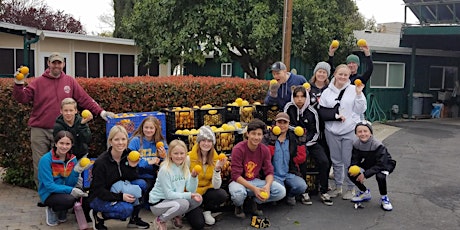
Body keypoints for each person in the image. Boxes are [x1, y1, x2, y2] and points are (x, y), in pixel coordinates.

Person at [13, 52, 115, 186]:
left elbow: (84, 99)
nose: (56, 65)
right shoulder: (37, 82)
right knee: (40, 164)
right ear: (48, 64)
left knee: (62, 164)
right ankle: (45, 195)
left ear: (63, 64)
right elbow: (22, 98)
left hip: (62, 130)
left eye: (59, 63)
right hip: (40, 130)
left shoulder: (70, 81)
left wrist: (101, 112)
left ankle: (61, 193)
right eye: (53, 63)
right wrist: (18, 83)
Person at [318, 64, 367, 200]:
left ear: (349, 76)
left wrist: (359, 94)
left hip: (349, 130)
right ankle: (338, 186)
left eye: (346, 75)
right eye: (340, 74)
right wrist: (334, 116)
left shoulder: (354, 89)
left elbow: (361, 109)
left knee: (348, 160)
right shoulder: (327, 92)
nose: (343, 77)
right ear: (335, 74)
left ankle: (350, 188)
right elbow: (322, 111)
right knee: (336, 160)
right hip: (331, 130)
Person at [88, 125, 150, 229]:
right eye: (116, 139)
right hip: (100, 197)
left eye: (123, 139)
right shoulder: (101, 162)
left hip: (119, 188)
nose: (120, 143)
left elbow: (131, 178)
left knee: (142, 184)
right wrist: (121, 197)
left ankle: (134, 219)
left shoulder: (129, 155)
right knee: (126, 209)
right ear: (111, 141)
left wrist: (132, 167)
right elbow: (98, 190)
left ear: (127, 140)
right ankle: (99, 215)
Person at [284, 87, 333, 205]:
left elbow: (316, 132)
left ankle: (324, 190)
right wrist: (296, 132)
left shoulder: (312, 112)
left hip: (311, 142)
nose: (299, 99)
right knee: (301, 161)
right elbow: (286, 125)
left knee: (324, 161)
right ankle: (304, 192)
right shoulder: (288, 108)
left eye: (302, 96)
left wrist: (306, 143)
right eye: (297, 96)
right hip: (295, 143)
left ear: (306, 98)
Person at [229, 119, 286, 218]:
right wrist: (254, 189)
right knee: (238, 195)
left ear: (262, 136)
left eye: (259, 134)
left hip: (255, 180)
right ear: (247, 134)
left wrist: (267, 186)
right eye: (253, 134)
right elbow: (235, 175)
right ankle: (239, 206)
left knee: (281, 192)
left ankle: (254, 202)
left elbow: (269, 172)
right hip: (239, 181)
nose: (256, 137)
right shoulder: (238, 149)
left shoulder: (264, 150)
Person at [37, 130, 90, 226]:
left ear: (71, 145)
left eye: (67, 144)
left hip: (63, 190)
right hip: (49, 193)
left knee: (74, 198)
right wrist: (71, 190)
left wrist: (76, 171)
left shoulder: (72, 159)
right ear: (56, 143)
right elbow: (49, 186)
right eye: (61, 143)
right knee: (69, 199)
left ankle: (62, 209)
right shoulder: (45, 160)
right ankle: (52, 209)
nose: (64, 146)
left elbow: (70, 182)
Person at [149, 139, 203, 230]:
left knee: (198, 199)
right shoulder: (165, 170)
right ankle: (160, 219)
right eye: (176, 153)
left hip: (173, 200)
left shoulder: (184, 167)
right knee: (184, 203)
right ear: (170, 154)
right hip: (158, 203)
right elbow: (168, 194)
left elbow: (191, 189)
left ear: (186, 155)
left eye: (182, 153)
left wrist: (193, 177)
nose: (179, 156)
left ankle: (175, 215)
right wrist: (189, 195)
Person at [262, 112, 308, 206]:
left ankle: (290, 195)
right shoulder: (268, 137)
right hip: (273, 175)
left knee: (302, 186)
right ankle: (277, 196)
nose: (282, 125)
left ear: (289, 124)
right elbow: (265, 159)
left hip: (289, 173)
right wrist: (271, 143)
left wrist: (301, 144)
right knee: (279, 191)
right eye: (279, 122)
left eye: (285, 122)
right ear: (275, 124)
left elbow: (300, 159)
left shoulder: (293, 138)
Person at [348, 121, 396, 211]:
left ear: (370, 132)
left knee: (380, 176)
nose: (363, 134)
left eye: (365, 131)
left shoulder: (377, 145)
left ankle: (384, 198)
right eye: (360, 131)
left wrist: (365, 174)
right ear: (356, 134)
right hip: (370, 162)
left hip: (385, 163)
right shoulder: (356, 144)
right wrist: (355, 169)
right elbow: (355, 160)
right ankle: (365, 192)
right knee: (351, 172)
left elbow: (381, 164)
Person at [187, 126, 228, 226]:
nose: (206, 143)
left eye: (209, 141)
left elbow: (216, 186)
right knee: (198, 225)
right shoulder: (189, 159)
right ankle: (192, 210)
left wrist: (217, 170)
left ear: (213, 143)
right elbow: (185, 183)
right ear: (198, 142)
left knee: (221, 194)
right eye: (203, 140)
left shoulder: (215, 159)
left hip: (206, 192)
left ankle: (206, 210)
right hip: (192, 194)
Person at [128, 116, 168, 207]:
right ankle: (142, 201)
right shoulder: (136, 141)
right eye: (146, 127)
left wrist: (163, 157)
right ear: (142, 127)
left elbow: (168, 160)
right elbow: (129, 159)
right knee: (143, 185)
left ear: (156, 129)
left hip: (155, 175)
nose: (148, 130)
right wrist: (147, 162)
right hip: (138, 174)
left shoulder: (160, 142)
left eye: (151, 128)